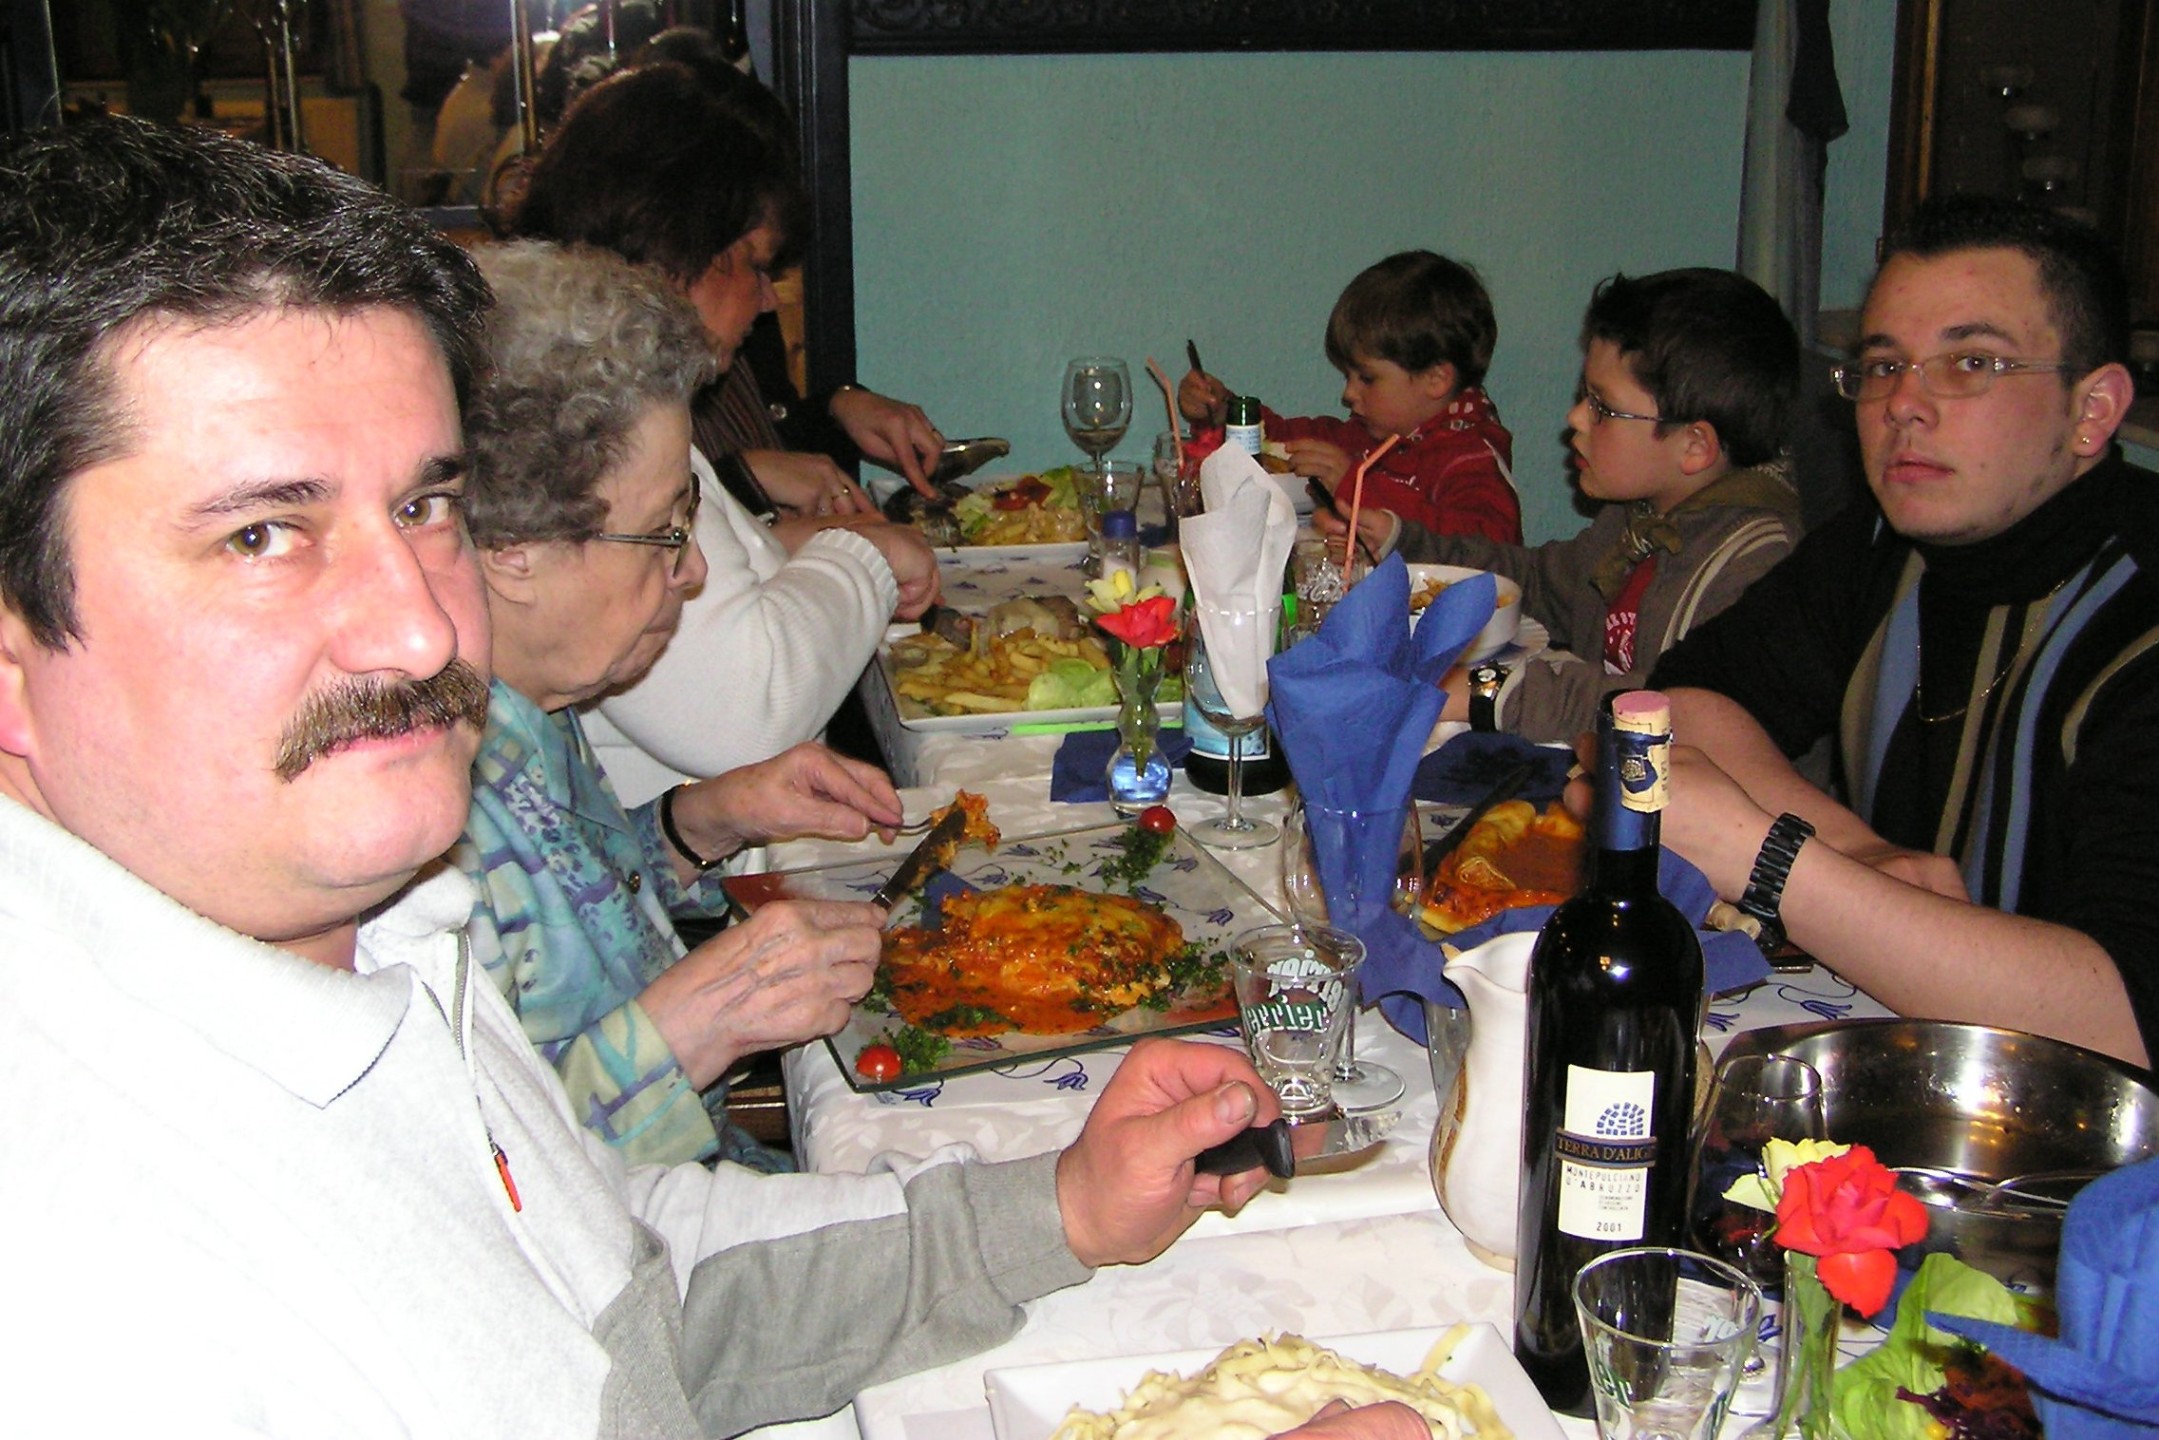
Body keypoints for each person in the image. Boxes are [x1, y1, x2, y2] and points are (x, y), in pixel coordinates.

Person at [0, 115, 1427, 1439]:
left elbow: (632, 1291)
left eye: (425, 503)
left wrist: (1052, 1210)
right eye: (260, 534)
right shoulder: (92, 1281)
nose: (424, 628)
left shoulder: (384, 946)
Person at [1645, 196, 2157, 1067]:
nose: (1903, 406)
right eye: (1883, 366)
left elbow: (2123, 1017)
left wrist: (1772, 860)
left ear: (2092, 408)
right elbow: (1683, 700)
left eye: (1971, 362)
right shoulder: (1887, 546)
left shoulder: (2135, 614)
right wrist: (1855, 850)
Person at [453, 240, 903, 1169]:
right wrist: (708, 1017)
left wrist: (699, 821)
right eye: (664, 530)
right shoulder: (422, 823)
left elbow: (580, 914)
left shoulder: (533, 711)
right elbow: (490, 1189)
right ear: (512, 551)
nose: (693, 570)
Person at [514, 60, 944, 800]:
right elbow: (747, 711)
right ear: (674, 242)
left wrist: (787, 541)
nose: (768, 299)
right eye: (753, 263)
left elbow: (710, 586)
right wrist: (868, 556)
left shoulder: (614, 391)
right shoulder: (587, 424)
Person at [1314, 268, 1802, 743]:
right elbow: (1537, 583)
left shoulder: (1758, 566)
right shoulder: (1640, 516)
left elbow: (1677, 712)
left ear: (1694, 446)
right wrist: (1403, 540)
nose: (1575, 417)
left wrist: (1488, 692)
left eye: (1602, 407)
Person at [1181, 249, 1521, 543]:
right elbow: (1284, 443)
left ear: (1436, 379)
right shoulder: (1365, 436)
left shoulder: (1469, 456)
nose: (1348, 394)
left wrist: (1357, 486)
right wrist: (1224, 411)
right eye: (1348, 376)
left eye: (1367, 379)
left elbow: (1492, 548)